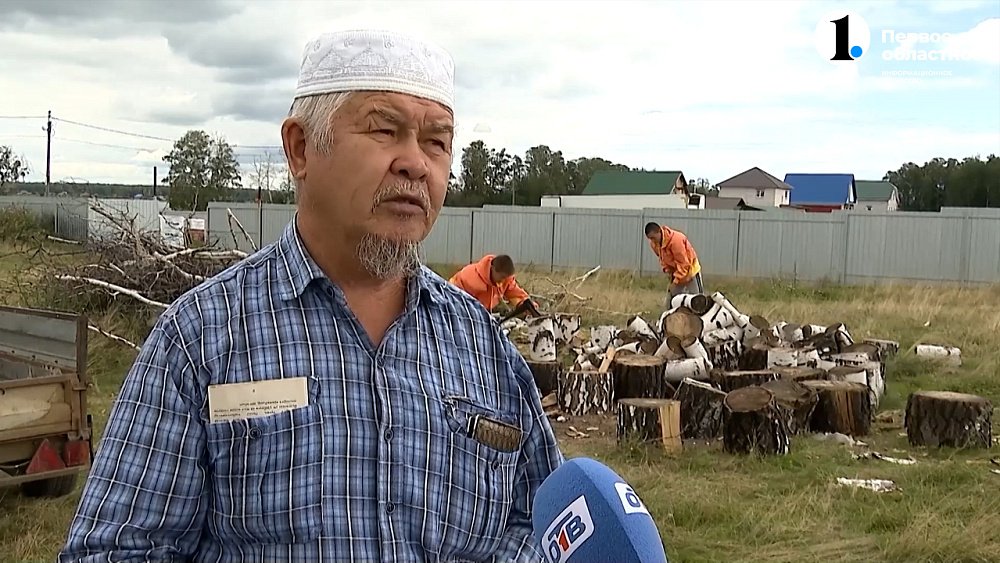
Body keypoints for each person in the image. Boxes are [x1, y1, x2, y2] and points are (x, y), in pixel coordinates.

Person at [58, 29, 563, 563]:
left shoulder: (484, 346)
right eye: (385, 130)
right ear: (300, 148)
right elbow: (118, 550)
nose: (416, 163)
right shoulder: (200, 340)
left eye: (436, 141)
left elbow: (544, 526)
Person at [448, 254, 538, 316]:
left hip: (482, 311)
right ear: (493, 269)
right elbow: (452, 296)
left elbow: (514, 292)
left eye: (506, 278)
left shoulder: (505, 279)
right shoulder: (470, 279)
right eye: (502, 277)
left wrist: (527, 305)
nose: (503, 281)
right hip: (458, 307)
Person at [644, 221, 704, 297]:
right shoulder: (654, 244)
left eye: (653, 238)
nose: (652, 241)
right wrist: (668, 272)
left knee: (698, 301)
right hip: (677, 274)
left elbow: (683, 264)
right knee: (671, 300)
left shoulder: (676, 241)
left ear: (659, 231)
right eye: (650, 239)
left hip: (691, 271)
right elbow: (662, 259)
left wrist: (675, 282)